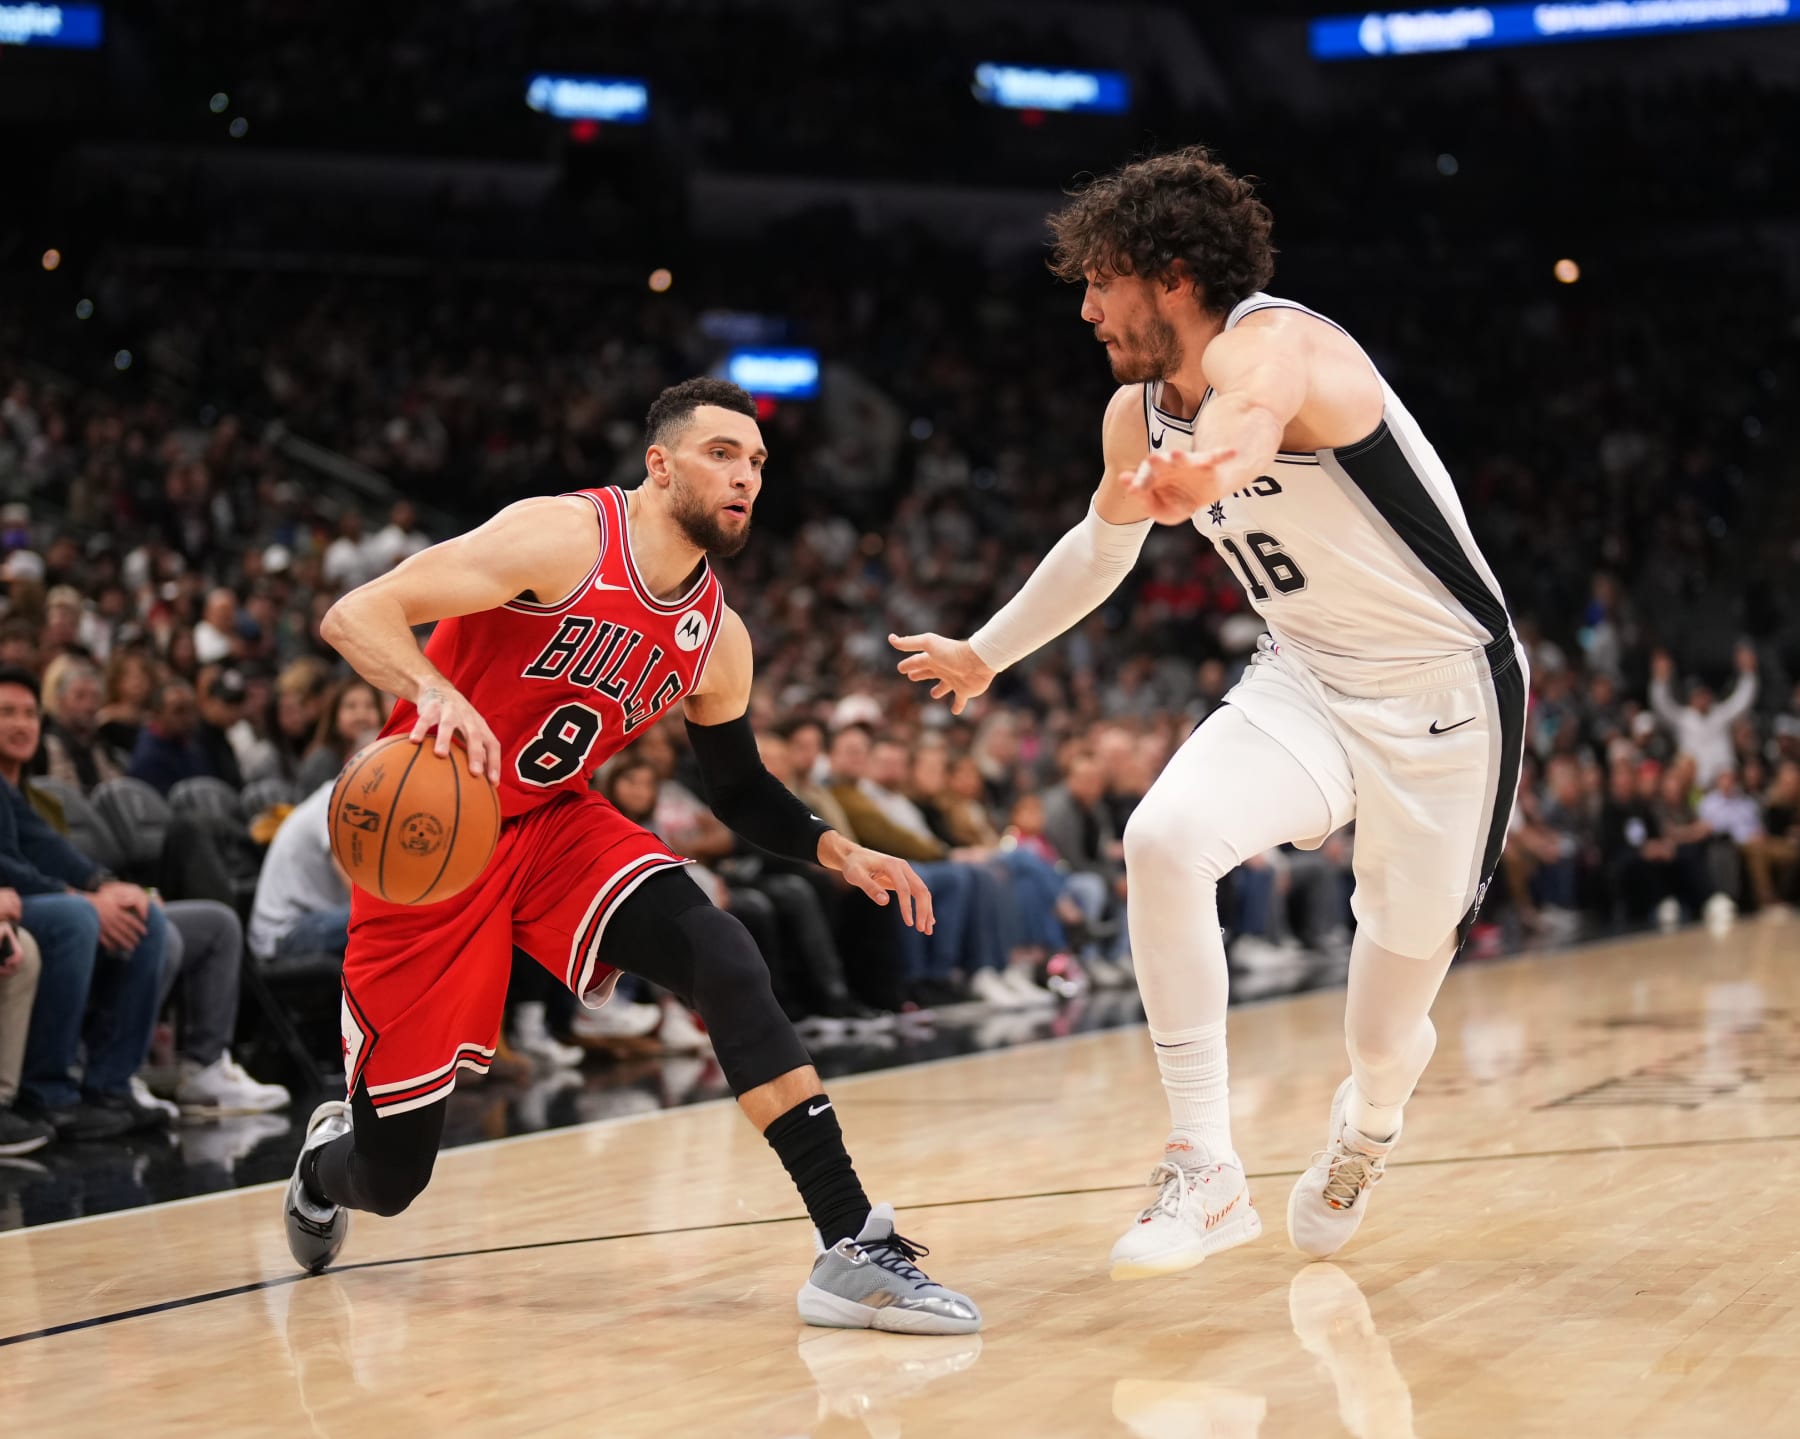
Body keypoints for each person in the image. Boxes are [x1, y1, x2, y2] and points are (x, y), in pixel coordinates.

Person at [893, 144, 1528, 1276]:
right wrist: (985, 654)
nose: (1085, 308)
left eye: (1102, 281)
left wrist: (1210, 476)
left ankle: (1369, 1124)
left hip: (1445, 696)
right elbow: (1101, 542)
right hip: (1307, 674)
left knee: (1381, 1029)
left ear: (1173, 273)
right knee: (1166, 835)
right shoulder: (1134, 413)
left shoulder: (1283, 344)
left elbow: (1249, 417)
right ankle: (1207, 1163)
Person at [285, 378, 979, 1334]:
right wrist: (431, 688)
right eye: (722, 454)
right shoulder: (560, 539)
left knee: (724, 952)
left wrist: (837, 848)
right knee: (392, 1177)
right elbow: (357, 612)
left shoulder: (716, 635)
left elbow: (737, 789)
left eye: (758, 464)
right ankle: (329, 1160)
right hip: (433, 841)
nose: (746, 478)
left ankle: (851, 1243)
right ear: (659, 465)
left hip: (551, 826)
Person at [0, 667, 173, 1138]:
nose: (20, 724)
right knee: (76, 918)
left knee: (143, 916)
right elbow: (8, 867)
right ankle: (48, 1093)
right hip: (12, 906)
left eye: (29, 713)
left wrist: (105, 884)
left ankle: (110, 1086)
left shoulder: (14, 791)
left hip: (22, 902)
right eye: (6, 713)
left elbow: (47, 848)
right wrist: (82, 898)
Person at [248, 779, 352, 965]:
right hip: (283, 932)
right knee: (384, 920)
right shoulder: (337, 800)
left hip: (316, 917)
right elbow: (355, 889)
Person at [1649, 645, 1758, 789]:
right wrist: (1660, 680)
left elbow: (1742, 702)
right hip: (1694, 786)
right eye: (1697, 695)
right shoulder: (1683, 718)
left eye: (1704, 694)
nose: (1701, 699)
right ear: (1690, 698)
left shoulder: (1721, 714)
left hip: (1724, 785)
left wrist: (1748, 673)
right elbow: (1662, 706)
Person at [293, 677, 384, 797]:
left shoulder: (386, 757)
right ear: (335, 717)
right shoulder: (322, 760)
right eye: (351, 706)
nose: (361, 714)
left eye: (370, 706)